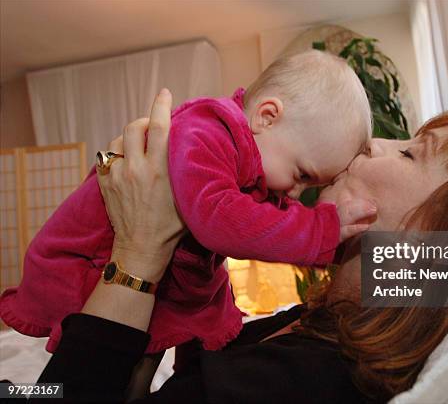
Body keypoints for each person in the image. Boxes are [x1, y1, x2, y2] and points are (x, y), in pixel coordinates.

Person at [13, 84, 448, 403]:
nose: (378, 142)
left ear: (433, 236)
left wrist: (139, 254)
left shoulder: (308, 384)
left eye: (409, 154)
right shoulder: (320, 323)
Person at [0, 50, 377, 363]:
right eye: (301, 174)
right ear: (267, 116)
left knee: (176, 337)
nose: (295, 194)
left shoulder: (431, 263)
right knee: (128, 355)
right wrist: (321, 230)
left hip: (156, 277)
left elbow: (433, 269)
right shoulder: (208, 129)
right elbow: (221, 219)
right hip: (87, 262)